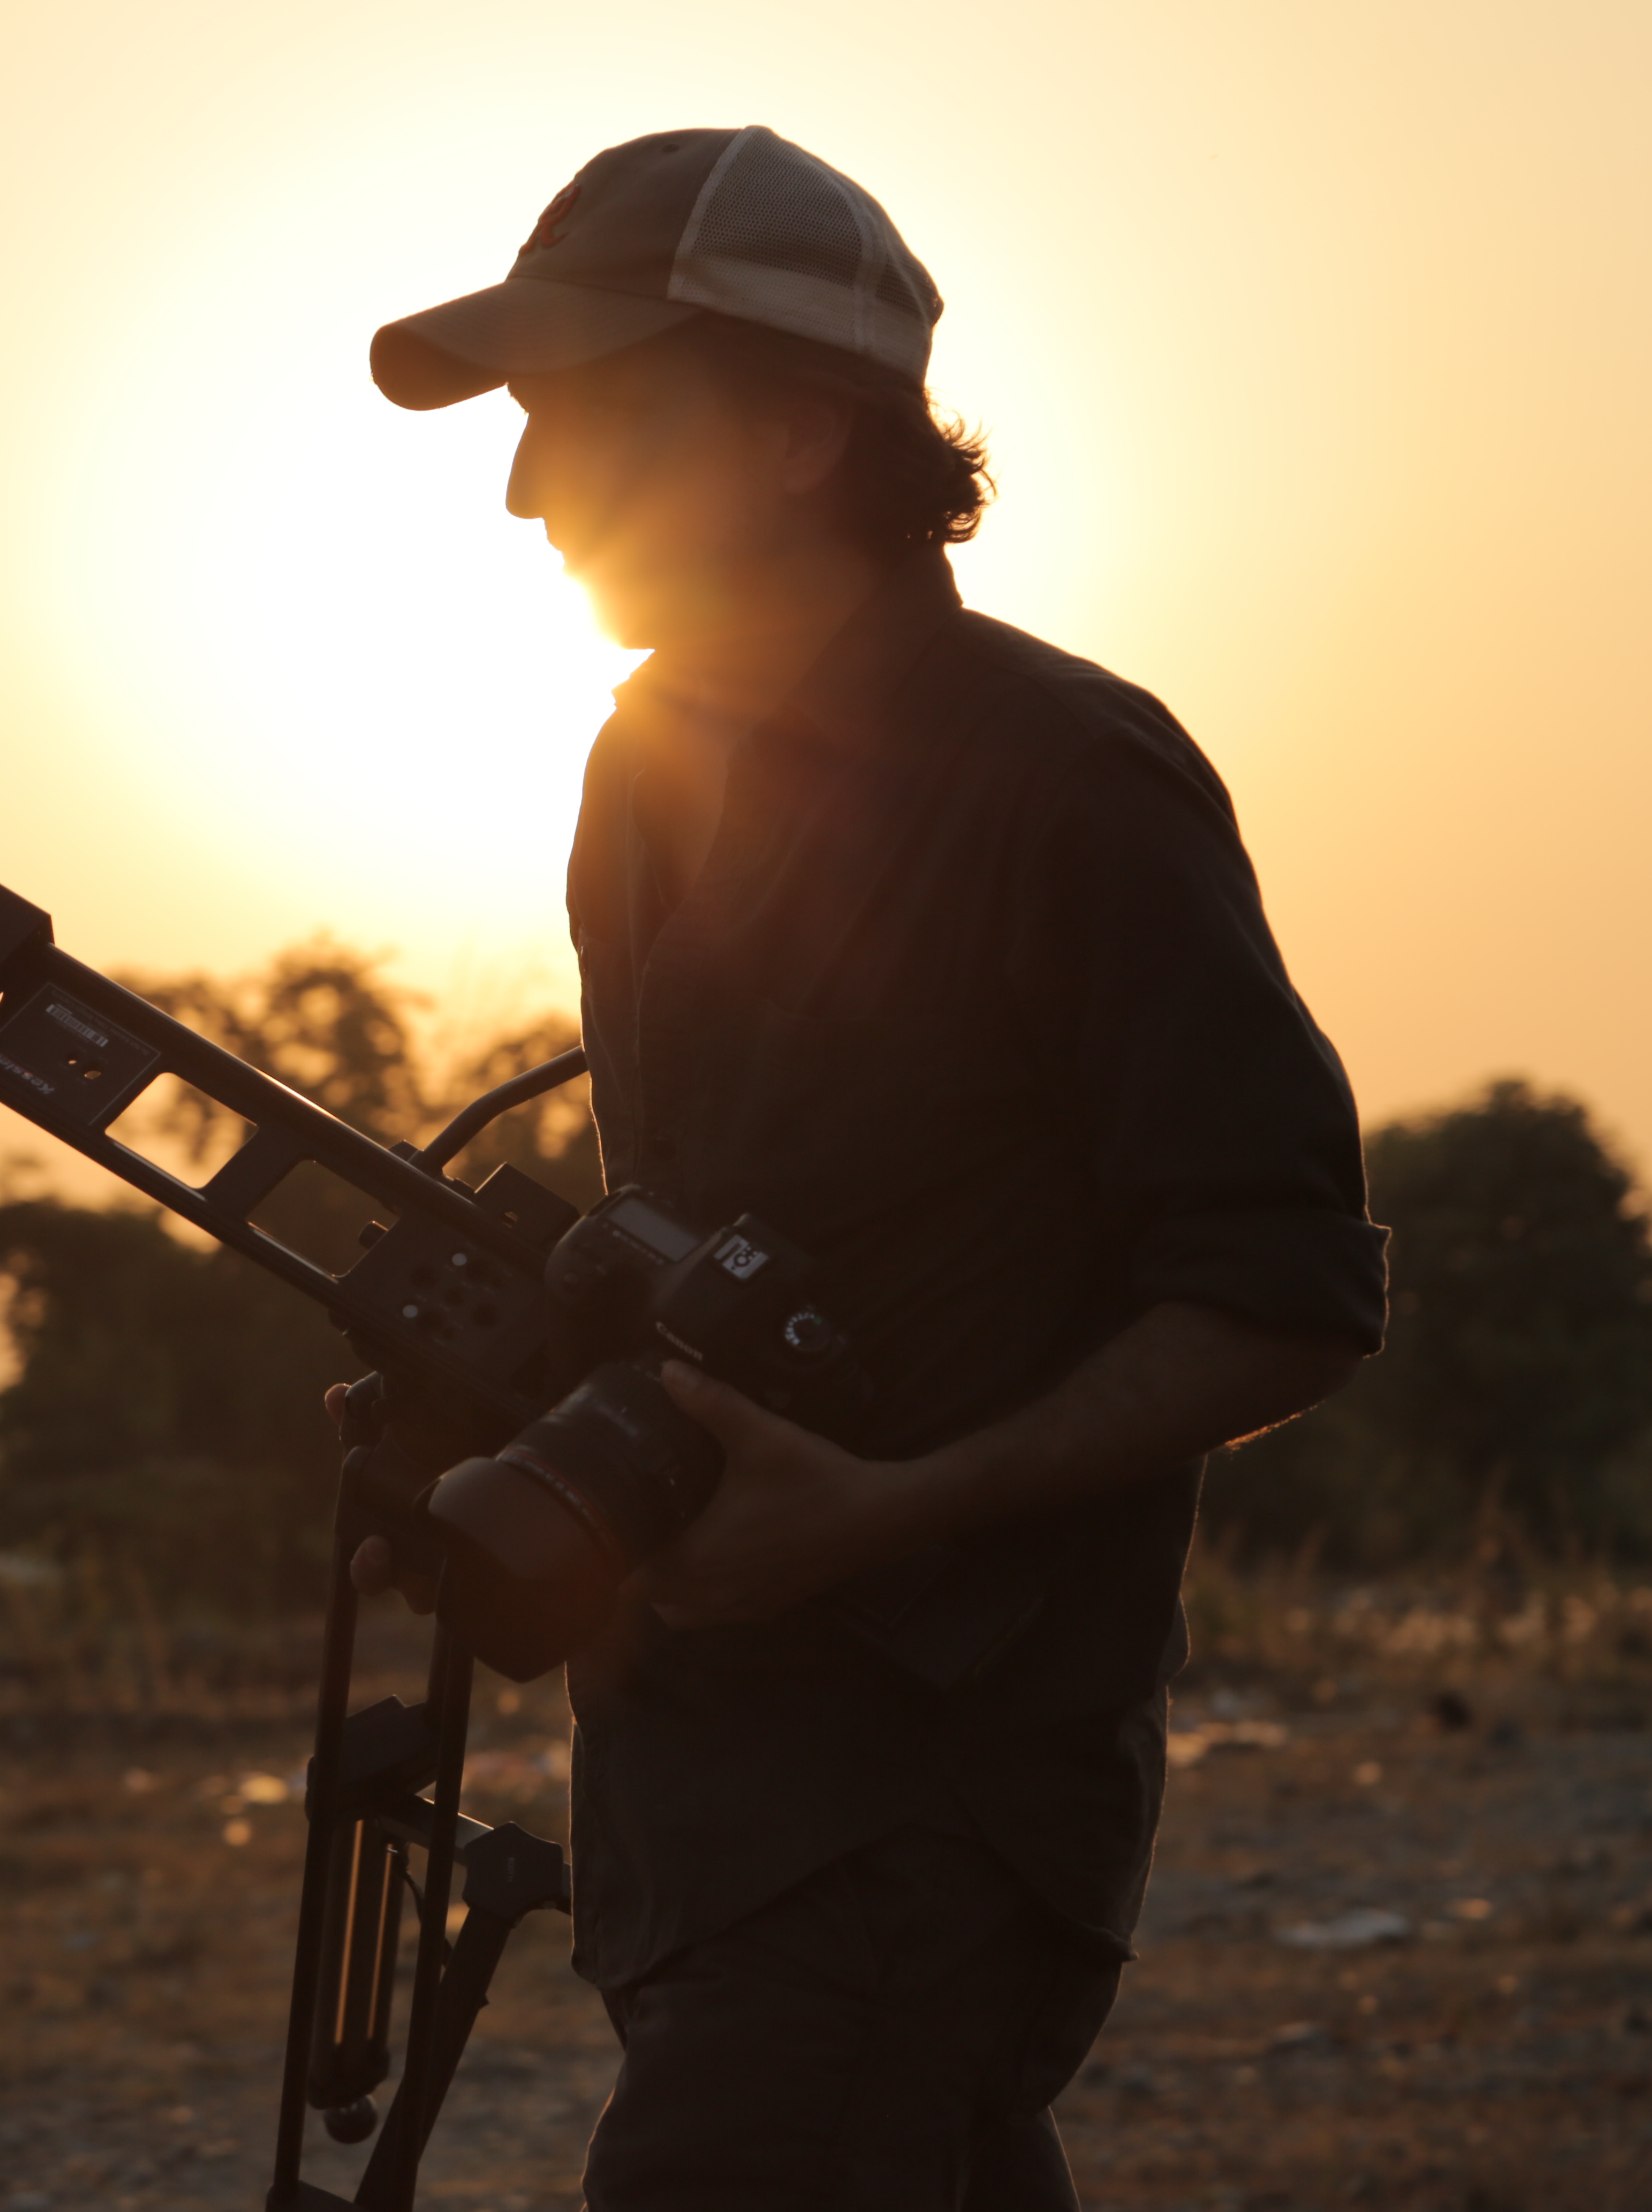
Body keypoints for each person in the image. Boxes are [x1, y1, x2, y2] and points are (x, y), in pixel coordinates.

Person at [351, 127, 1390, 2209]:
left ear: (801, 431)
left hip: (923, 1815)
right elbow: (710, 1265)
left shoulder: (1067, 781)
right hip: (701, 1803)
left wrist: (900, 1508)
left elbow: (1282, 1290)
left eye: (587, 418)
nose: (528, 491)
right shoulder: (640, 771)